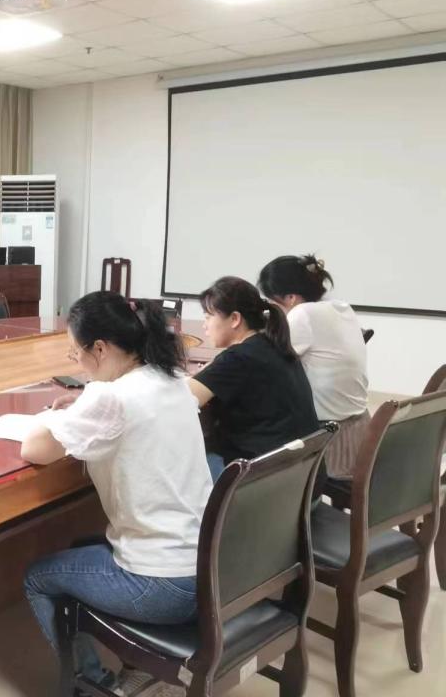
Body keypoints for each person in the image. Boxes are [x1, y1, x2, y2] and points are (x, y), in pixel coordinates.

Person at [21, 293, 212, 695]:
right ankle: (138, 666)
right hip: (208, 572)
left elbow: (34, 448)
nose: (76, 362)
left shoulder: (109, 397)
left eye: (75, 353)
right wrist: (82, 406)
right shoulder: (172, 380)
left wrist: (54, 415)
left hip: (163, 587)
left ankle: (91, 683)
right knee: (82, 547)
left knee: (38, 577)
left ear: (100, 349)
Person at [188, 276, 319, 481]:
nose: (205, 326)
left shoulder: (239, 358)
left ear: (235, 319)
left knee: (189, 458)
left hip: (262, 482)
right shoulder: (272, 345)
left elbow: (183, 400)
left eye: (208, 317)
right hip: (302, 479)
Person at [258, 254, 369, 479]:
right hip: (360, 430)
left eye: (271, 301)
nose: (269, 307)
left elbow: (264, 361)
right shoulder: (341, 307)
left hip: (329, 440)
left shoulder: (302, 314)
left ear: (290, 297)